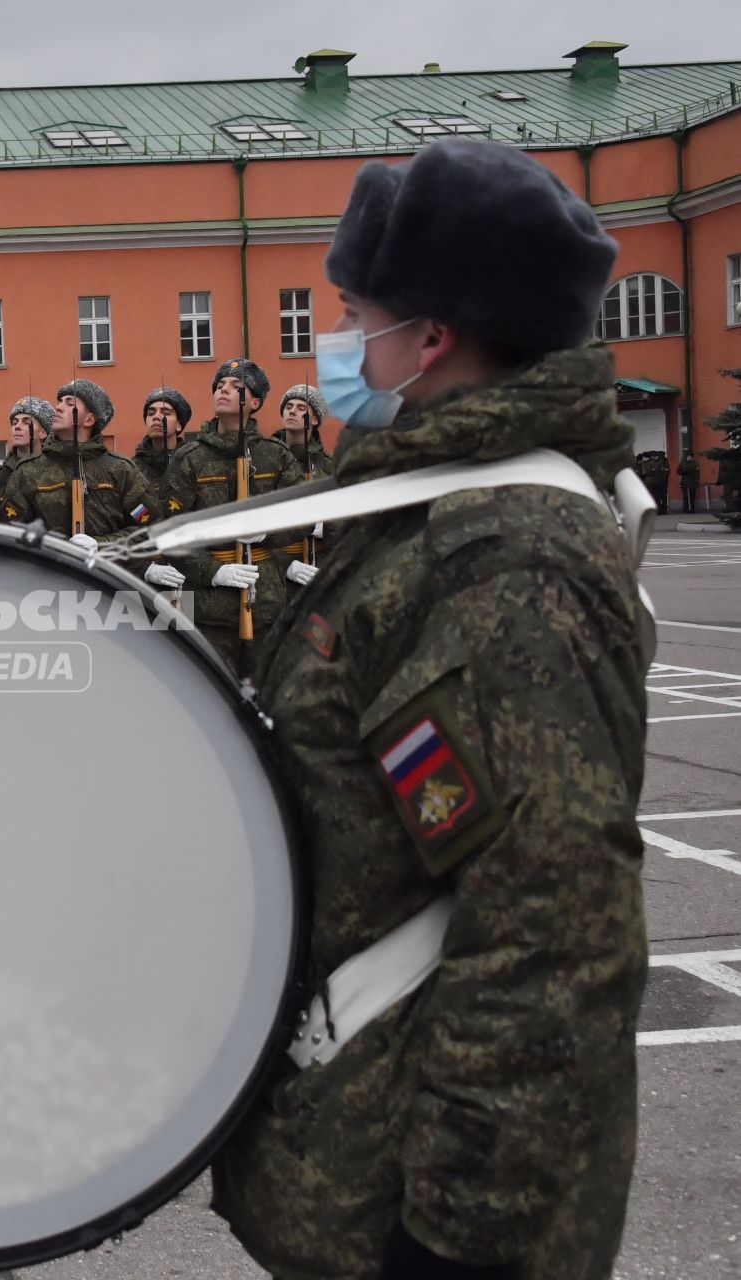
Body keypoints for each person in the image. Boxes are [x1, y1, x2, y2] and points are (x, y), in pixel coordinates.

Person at [210, 138, 649, 1280]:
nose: (336, 337)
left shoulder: (505, 561)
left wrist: (463, 1242)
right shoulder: (424, 506)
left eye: (352, 309)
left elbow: (549, 928)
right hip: (363, 1151)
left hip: (433, 1215)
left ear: (433, 336)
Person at [157, 359, 307, 675]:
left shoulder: (274, 454)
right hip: (207, 607)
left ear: (255, 402)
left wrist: (267, 531)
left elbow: (304, 515)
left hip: (264, 601)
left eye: (236, 387)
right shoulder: (192, 457)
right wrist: (213, 571)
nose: (224, 391)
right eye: (220, 386)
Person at [0, 380, 161, 554]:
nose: (58, 407)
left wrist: (103, 545)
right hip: (48, 576)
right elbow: (8, 533)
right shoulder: (29, 472)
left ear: (89, 419)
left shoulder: (119, 470)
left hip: (105, 576)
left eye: (69, 403)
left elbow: (150, 527)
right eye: (60, 401)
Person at [276, 384, 335, 565]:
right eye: (288, 407)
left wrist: (326, 526)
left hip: (318, 564)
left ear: (315, 419)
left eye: (301, 408)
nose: (292, 412)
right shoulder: (265, 457)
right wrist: (285, 564)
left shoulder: (329, 465)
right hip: (273, 569)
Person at [0, 396, 52, 511]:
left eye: (26, 422)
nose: (17, 427)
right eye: (14, 422)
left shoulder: (56, 472)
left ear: (43, 433)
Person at [133, 387, 192, 497]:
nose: (156, 417)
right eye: (151, 413)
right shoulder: (131, 469)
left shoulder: (192, 463)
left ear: (179, 424)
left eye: (165, 412)